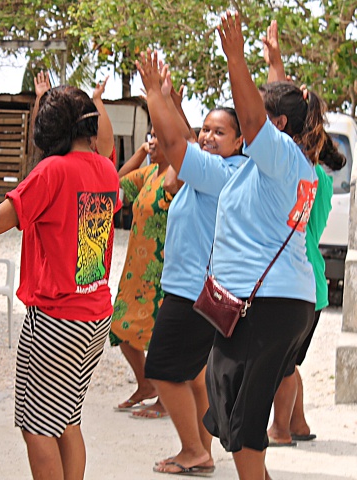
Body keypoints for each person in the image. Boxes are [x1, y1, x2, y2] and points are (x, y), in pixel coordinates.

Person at [0, 85, 121, 480]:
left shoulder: (51, 171)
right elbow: (107, 140)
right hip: (95, 314)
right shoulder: (105, 168)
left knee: (38, 426)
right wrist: (48, 101)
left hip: (56, 320)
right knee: (67, 419)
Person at [203, 12, 329, 479]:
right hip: (276, 301)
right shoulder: (287, 159)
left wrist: (236, 57)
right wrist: (274, 65)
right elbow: (279, 110)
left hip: (267, 304)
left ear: (276, 125)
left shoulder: (279, 155)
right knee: (234, 409)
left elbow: (260, 118)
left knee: (243, 420)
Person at [137, 51, 246, 475]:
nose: (208, 137)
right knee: (194, 376)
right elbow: (184, 140)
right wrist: (171, 101)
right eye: (206, 129)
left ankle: (192, 450)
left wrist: (152, 95)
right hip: (197, 288)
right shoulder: (214, 169)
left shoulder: (222, 173)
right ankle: (202, 452)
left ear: (239, 142)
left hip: (193, 291)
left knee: (162, 370)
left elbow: (173, 144)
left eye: (220, 132)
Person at [262, 20, 346, 447]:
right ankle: (298, 423)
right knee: (291, 361)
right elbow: (289, 115)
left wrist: (275, 68)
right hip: (312, 281)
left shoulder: (298, 171)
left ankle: (280, 428)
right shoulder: (321, 175)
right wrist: (276, 66)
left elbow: (282, 128)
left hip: (299, 279)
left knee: (283, 365)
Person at [110, 128, 178, 419]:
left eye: (158, 138)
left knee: (161, 337)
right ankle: (145, 384)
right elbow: (113, 182)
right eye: (150, 136)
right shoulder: (149, 174)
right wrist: (140, 152)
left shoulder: (176, 178)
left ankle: (166, 398)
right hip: (137, 268)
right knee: (121, 325)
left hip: (163, 267)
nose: (153, 142)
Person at [33, 71, 116, 165]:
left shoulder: (98, 160)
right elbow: (40, 133)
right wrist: (42, 98)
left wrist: (97, 99)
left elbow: (106, 146)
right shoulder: (53, 162)